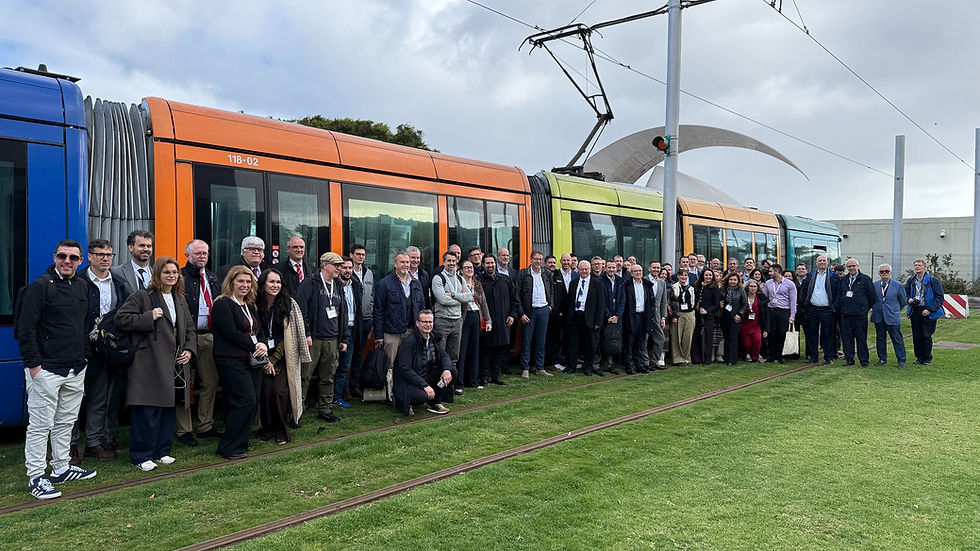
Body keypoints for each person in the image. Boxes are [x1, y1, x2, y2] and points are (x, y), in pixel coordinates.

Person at [19, 240, 97, 499]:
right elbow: (26, 330)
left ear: (81, 260)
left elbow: (86, 326)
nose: (67, 261)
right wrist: (34, 366)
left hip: (75, 368)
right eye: (62, 256)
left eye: (73, 258)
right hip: (46, 370)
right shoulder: (40, 287)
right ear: (54, 257)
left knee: (66, 421)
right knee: (40, 426)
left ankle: (62, 466)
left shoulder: (83, 286)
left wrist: (85, 356)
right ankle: (36, 476)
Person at [115, 257, 196, 471]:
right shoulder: (143, 296)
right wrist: (148, 316)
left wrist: (189, 349)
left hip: (174, 362)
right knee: (147, 410)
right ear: (157, 274)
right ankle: (141, 456)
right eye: (166, 272)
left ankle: (162, 451)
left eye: (174, 272)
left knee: (167, 409)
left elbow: (189, 328)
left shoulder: (179, 298)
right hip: (148, 362)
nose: (171, 275)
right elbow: (121, 318)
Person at [74, 239, 128, 461]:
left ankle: (94, 443)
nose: (105, 258)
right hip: (79, 350)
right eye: (100, 254)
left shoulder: (118, 283)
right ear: (89, 257)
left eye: (109, 254)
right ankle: (70, 446)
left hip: (105, 351)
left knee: (99, 398)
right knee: (73, 400)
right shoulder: (78, 281)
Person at [211, 266, 268, 460]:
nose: (244, 285)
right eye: (240, 281)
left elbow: (258, 330)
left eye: (248, 282)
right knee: (244, 401)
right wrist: (254, 346)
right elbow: (231, 333)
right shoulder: (223, 304)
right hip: (231, 360)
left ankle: (241, 444)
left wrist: (262, 344)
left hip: (251, 360)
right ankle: (228, 447)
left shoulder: (249, 305)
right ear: (231, 283)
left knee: (252, 402)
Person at [255, 269, 311, 444]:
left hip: (283, 355)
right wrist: (265, 360)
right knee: (265, 392)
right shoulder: (254, 304)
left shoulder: (289, 304)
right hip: (259, 355)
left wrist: (273, 360)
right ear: (263, 284)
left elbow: (291, 335)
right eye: (271, 282)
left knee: (279, 392)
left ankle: (282, 430)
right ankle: (267, 428)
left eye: (278, 282)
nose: (275, 285)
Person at [177, 239, 222, 446]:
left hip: (209, 336)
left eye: (205, 253)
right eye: (198, 253)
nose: (203, 256)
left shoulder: (213, 277)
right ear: (187, 256)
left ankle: (206, 425)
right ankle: (184, 430)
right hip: (187, 337)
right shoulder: (179, 277)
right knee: (186, 384)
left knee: (210, 382)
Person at [295, 252, 349, 423]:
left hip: (333, 339)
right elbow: (301, 311)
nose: (339, 269)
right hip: (314, 339)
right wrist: (307, 334)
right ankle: (297, 411)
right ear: (325, 265)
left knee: (328, 376)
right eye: (337, 266)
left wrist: (344, 338)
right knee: (304, 376)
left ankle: (325, 409)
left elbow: (343, 313)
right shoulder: (310, 283)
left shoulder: (338, 285)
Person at [373, 252, 426, 398]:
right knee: (390, 365)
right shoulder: (384, 284)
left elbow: (421, 306)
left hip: (411, 331)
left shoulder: (416, 283)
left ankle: (406, 392)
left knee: (409, 364)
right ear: (395, 264)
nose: (406, 265)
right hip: (391, 333)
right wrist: (379, 336)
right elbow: (378, 311)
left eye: (408, 262)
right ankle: (389, 395)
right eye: (402, 262)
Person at [393, 310, 457, 416]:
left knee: (452, 373)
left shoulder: (433, 338)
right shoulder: (409, 342)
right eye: (424, 322)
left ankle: (435, 401)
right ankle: (404, 401)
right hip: (409, 382)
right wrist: (425, 386)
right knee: (422, 397)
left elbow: (444, 356)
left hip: (426, 376)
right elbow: (405, 369)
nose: (428, 325)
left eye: (430, 322)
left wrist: (446, 370)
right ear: (418, 323)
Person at [431, 251, 471, 386]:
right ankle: (438, 387)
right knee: (440, 356)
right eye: (449, 261)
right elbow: (442, 299)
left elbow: (469, 297)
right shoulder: (438, 278)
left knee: (454, 357)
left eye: (454, 261)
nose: (451, 263)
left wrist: (453, 295)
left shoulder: (460, 279)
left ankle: (450, 387)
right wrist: (460, 297)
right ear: (444, 262)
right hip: (442, 320)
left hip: (457, 321)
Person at [478, 255, 518, 384]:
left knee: (500, 350)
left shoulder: (505, 280)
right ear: (483, 265)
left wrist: (512, 315)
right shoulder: (479, 281)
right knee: (485, 350)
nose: (490, 265)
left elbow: (514, 299)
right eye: (487, 263)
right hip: (486, 321)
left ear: (495, 264)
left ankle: (496, 376)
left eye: (492, 263)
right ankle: (484, 376)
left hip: (503, 321)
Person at [515, 251, 554, 378]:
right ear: (530, 259)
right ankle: (525, 368)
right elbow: (517, 295)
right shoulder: (523, 274)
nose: (538, 261)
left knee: (541, 341)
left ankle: (540, 367)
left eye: (540, 259)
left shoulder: (546, 273)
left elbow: (552, 292)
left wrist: (550, 306)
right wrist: (521, 313)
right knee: (526, 341)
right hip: (529, 311)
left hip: (543, 310)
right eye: (536, 259)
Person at [565, 260, 606, 376]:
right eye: (582, 269)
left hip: (590, 318)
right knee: (573, 344)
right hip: (575, 317)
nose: (584, 271)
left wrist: (598, 321)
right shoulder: (573, 283)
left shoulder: (597, 284)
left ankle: (587, 367)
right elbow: (569, 302)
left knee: (591, 344)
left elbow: (601, 304)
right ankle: (571, 367)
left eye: (586, 269)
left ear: (590, 269)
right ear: (578, 270)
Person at [334, 257, 363, 407]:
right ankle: (336, 395)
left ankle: (340, 393)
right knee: (337, 365)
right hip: (337, 331)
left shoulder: (356, 285)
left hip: (352, 329)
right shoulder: (334, 286)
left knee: (346, 364)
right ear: (339, 269)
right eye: (344, 267)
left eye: (350, 268)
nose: (347, 270)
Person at [905, 258, 945, 365]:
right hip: (915, 310)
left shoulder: (933, 281)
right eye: (916, 265)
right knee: (916, 336)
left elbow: (939, 298)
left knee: (926, 335)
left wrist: (930, 309)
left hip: (928, 310)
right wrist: (908, 299)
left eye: (919, 265)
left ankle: (927, 358)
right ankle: (919, 358)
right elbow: (905, 293)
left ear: (925, 267)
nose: (917, 267)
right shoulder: (911, 280)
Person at [458, 259, 491, 388]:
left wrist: (488, 320)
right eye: (466, 267)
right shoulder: (458, 283)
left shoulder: (477, 283)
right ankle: (459, 382)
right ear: (460, 270)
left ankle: (473, 380)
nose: (469, 269)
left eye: (471, 267)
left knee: (474, 349)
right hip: (464, 318)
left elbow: (484, 303)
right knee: (462, 350)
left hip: (476, 317)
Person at [799, 255, 838, 365]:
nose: (821, 263)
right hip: (812, 308)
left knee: (828, 333)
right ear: (816, 263)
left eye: (824, 261)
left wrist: (834, 307)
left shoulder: (833, 276)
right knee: (812, 333)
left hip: (827, 309)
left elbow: (837, 292)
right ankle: (813, 356)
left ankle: (828, 356)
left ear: (827, 263)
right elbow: (805, 290)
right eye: (819, 261)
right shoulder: (811, 275)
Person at [838, 258, 876, 367]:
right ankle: (849, 359)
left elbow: (872, 296)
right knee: (847, 338)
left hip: (860, 315)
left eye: (853, 266)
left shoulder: (865, 279)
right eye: (849, 266)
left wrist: (864, 308)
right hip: (846, 314)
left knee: (861, 338)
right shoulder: (844, 280)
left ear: (857, 266)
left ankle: (864, 360)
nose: (851, 268)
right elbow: (840, 294)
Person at [349, 243, 374, 398]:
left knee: (359, 355)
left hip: (365, 321)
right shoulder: (346, 272)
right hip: (351, 323)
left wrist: (370, 313)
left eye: (363, 255)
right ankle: (343, 389)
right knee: (347, 357)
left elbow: (371, 295)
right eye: (358, 254)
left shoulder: (369, 273)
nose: (361, 257)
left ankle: (355, 386)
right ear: (351, 255)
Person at [871, 264, 907, 369]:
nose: (884, 273)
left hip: (892, 317)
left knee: (897, 339)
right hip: (879, 316)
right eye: (882, 272)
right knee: (880, 339)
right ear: (879, 273)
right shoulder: (874, 285)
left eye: (886, 271)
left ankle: (901, 360)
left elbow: (903, 301)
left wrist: (894, 310)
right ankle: (882, 359)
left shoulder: (898, 285)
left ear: (890, 273)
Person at [546, 253, 577, 371]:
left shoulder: (576, 275)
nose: (566, 262)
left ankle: (567, 360)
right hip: (558, 313)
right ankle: (555, 361)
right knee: (555, 338)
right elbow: (554, 294)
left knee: (569, 338)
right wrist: (557, 310)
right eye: (564, 260)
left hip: (572, 313)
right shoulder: (555, 275)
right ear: (561, 261)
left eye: (568, 260)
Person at [763, 264, 796, 364]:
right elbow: (765, 298)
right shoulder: (768, 283)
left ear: (777, 271)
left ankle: (780, 355)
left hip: (784, 311)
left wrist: (792, 315)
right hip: (772, 310)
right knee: (772, 334)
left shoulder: (789, 284)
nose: (769, 273)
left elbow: (793, 300)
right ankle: (772, 355)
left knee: (781, 333)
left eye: (771, 271)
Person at [623, 263, 653, 374]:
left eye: (640, 271)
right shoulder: (627, 285)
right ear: (631, 273)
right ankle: (629, 366)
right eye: (635, 271)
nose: (638, 273)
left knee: (640, 343)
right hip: (631, 316)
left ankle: (640, 365)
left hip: (643, 316)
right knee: (629, 342)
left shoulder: (646, 285)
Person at [598, 258, 626, 374]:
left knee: (613, 341)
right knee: (602, 340)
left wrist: (617, 315)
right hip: (604, 317)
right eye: (609, 267)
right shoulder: (600, 281)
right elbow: (600, 300)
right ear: (605, 268)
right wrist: (608, 315)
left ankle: (609, 365)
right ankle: (599, 364)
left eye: (613, 267)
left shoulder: (620, 281)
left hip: (616, 317)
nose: (611, 269)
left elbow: (623, 299)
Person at [691, 270, 721, 365]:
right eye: (706, 275)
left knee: (707, 338)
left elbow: (716, 304)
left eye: (710, 275)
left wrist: (707, 310)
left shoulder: (714, 288)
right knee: (697, 336)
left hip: (708, 316)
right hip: (697, 315)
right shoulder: (698, 286)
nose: (708, 277)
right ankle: (696, 358)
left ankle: (706, 358)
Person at [111, 229, 153, 294]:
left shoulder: (157, 274)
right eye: (142, 245)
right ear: (131, 247)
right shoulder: (116, 272)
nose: (146, 249)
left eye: (149, 246)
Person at [668, 269, 696, 365]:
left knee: (687, 337)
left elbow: (693, 302)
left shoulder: (691, 289)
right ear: (678, 276)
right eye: (681, 275)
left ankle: (686, 358)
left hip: (689, 313)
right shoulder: (674, 287)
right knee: (677, 336)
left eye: (685, 275)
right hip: (678, 313)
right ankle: (678, 359)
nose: (683, 277)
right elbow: (672, 301)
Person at [719, 273, 748, 366]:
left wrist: (739, 314)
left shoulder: (741, 290)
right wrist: (720, 303)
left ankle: (732, 359)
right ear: (728, 280)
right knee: (726, 337)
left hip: (736, 317)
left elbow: (745, 304)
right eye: (731, 280)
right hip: (725, 316)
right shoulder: (723, 290)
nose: (733, 282)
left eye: (735, 280)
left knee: (733, 338)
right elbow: (719, 300)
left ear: (738, 281)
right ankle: (726, 358)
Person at [644, 263, 669, 370]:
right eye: (654, 267)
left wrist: (663, 317)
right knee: (644, 339)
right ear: (649, 268)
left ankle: (654, 361)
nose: (656, 269)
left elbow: (664, 302)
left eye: (658, 268)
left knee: (660, 338)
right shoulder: (644, 280)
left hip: (657, 315)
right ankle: (645, 362)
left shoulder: (662, 282)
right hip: (645, 314)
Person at [740, 279, 769, 362]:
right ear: (748, 287)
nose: (753, 288)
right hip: (745, 325)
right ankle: (746, 354)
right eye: (751, 286)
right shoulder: (743, 298)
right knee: (747, 344)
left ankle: (755, 358)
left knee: (757, 341)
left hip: (756, 325)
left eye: (755, 286)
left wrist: (766, 329)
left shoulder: (761, 300)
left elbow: (766, 315)